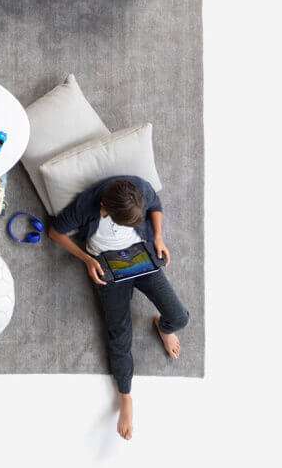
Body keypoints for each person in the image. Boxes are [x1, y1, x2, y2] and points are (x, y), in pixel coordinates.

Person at [48, 176, 189, 441]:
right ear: (105, 206)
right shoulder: (87, 205)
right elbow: (55, 232)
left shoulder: (137, 188)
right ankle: (125, 397)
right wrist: (87, 260)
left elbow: (155, 204)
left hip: (141, 255)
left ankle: (162, 326)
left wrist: (157, 237)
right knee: (119, 335)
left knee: (179, 317)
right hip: (106, 264)